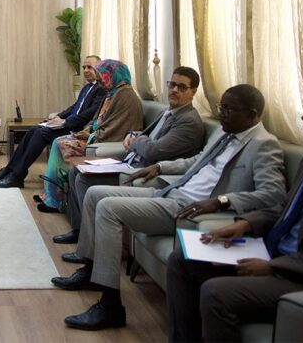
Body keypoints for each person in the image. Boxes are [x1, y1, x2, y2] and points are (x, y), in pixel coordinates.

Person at [54, 84, 287, 332]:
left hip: (189, 209)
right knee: (94, 194)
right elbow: (196, 161)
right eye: (221, 107)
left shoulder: (264, 144)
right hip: (172, 191)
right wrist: (160, 167)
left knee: (108, 208)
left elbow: (274, 194)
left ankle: (110, 305)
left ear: (251, 114)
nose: (222, 114)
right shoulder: (225, 133)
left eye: (229, 110)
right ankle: (91, 270)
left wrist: (221, 201)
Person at [166, 87, 303, 343]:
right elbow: (284, 207)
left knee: (215, 292)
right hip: (272, 251)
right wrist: (245, 224)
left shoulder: (265, 144)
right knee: (181, 259)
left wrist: (273, 266)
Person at [54, 66, 206, 246]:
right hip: (129, 162)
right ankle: (79, 230)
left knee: (83, 179)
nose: (174, 90)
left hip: (141, 172)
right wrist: (134, 135)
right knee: (76, 171)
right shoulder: (169, 111)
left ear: (193, 92)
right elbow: (145, 136)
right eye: (172, 84)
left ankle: (88, 242)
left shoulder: (188, 121)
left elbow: (152, 151)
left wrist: (136, 138)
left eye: (181, 87)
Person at [18, 60, 143, 210]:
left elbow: (118, 125)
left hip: (105, 139)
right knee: (52, 137)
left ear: (113, 75)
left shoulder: (125, 95)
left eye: (102, 76)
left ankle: (55, 200)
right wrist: (86, 129)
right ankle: (49, 193)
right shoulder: (113, 92)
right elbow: (97, 119)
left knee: (60, 143)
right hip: (94, 133)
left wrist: (91, 134)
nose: (100, 80)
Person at [0, 55, 105, 189]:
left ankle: (17, 176)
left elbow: (88, 114)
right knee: (34, 129)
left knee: (41, 134)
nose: (85, 70)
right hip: (68, 124)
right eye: (84, 67)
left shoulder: (101, 89)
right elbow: (74, 108)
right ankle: (9, 170)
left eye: (89, 67)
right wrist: (57, 117)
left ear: (99, 69)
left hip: (78, 129)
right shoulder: (87, 87)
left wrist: (65, 122)